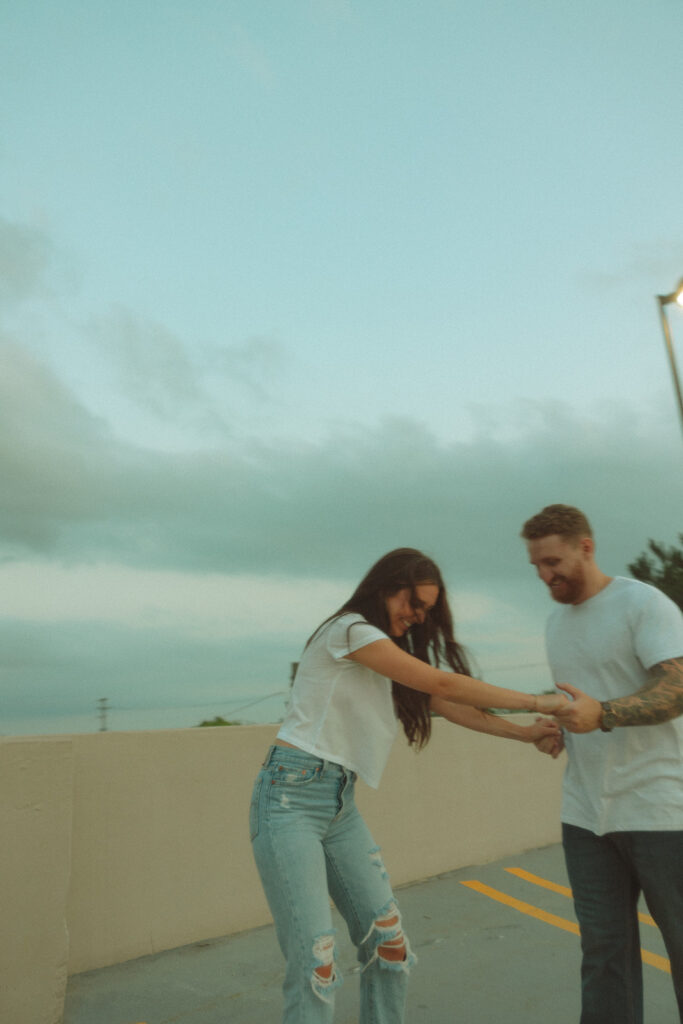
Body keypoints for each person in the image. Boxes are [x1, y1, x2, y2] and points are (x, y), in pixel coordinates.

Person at [250, 547, 565, 1024]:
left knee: (389, 944)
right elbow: (448, 684)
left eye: (426, 611)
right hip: (290, 797)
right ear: (387, 586)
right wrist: (544, 701)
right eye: (414, 603)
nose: (418, 617)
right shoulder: (350, 631)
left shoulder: (384, 655)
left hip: (339, 806)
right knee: (316, 960)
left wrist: (524, 733)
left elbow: (445, 702)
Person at [521, 504, 683, 1024]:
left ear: (585, 548)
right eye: (537, 567)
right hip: (586, 817)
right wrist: (560, 727)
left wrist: (605, 714)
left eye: (553, 562)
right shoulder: (554, 623)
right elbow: (582, 702)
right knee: (603, 957)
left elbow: (677, 686)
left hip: (660, 810)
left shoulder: (642, 603)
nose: (545, 576)